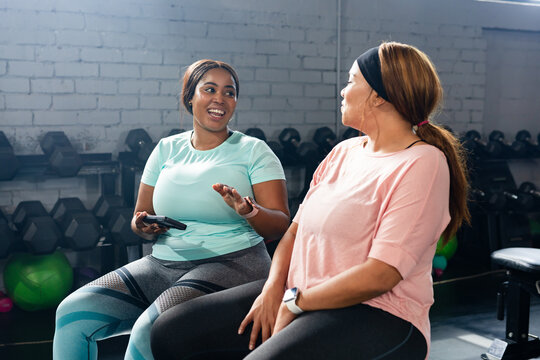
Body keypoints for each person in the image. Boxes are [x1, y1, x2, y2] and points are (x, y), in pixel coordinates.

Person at [150, 42, 471, 360]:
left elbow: (382, 274)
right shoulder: (343, 152)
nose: (343, 92)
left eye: (351, 81)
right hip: (298, 291)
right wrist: (273, 289)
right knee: (172, 332)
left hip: (378, 313)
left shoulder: (423, 163)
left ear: (377, 95)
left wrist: (295, 302)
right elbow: (293, 233)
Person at [53, 59, 290, 360]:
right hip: (162, 264)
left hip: (233, 264)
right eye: (210, 89)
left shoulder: (254, 151)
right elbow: (139, 217)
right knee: (72, 314)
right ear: (190, 97)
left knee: (148, 333)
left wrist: (248, 211)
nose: (220, 98)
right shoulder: (166, 149)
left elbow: (281, 223)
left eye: (229, 92)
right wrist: (145, 226)